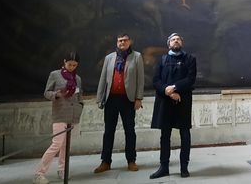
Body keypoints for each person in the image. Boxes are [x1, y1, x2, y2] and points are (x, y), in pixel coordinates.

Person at [94, 33, 145, 173]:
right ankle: (105, 162)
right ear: (117, 42)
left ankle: (131, 161)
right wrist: (100, 98)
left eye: (124, 40)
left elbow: (140, 80)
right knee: (108, 131)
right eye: (119, 40)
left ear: (130, 41)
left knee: (130, 131)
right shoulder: (109, 58)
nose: (122, 43)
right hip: (111, 99)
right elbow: (103, 78)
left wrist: (139, 98)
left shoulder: (137, 57)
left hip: (128, 100)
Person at [149, 33, 197, 179]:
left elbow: (190, 79)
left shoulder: (190, 59)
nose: (176, 41)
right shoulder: (162, 60)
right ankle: (164, 167)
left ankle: (184, 168)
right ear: (169, 44)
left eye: (178, 39)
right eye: (173, 39)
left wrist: (175, 87)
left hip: (183, 101)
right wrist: (168, 91)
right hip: (165, 101)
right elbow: (156, 80)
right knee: (165, 136)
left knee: (185, 135)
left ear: (182, 43)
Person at [33, 52, 83, 184]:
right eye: (69, 64)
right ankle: (39, 173)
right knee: (57, 143)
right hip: (60, 113)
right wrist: (57, 94)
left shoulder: (77, 78)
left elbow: (79, 96)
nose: (71, 67)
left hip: (73, 114)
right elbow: (46, 93)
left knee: (66, 145)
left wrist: (80, 107)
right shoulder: (55, 74)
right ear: (64, 61)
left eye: (74, 65)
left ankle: (62, 170)